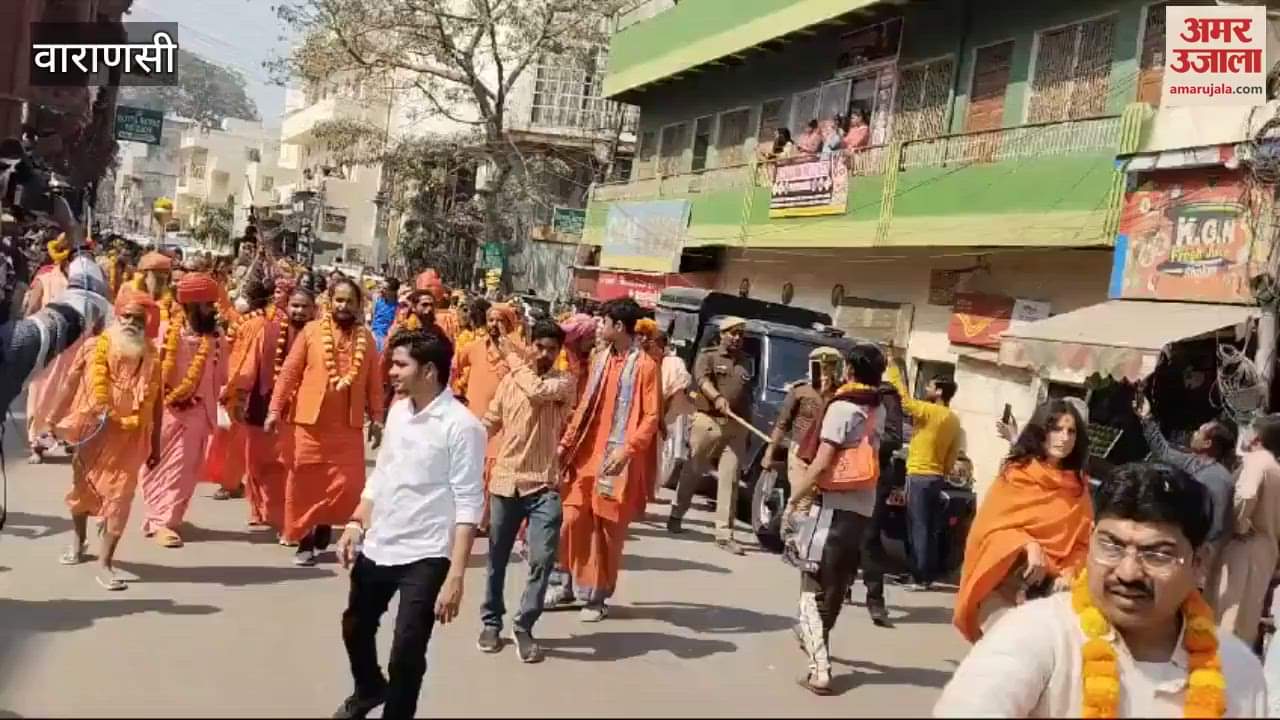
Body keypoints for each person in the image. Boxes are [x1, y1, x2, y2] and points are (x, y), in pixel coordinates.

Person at [936, 462, 1266, 718]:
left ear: (1199, 562)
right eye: (1112, 545)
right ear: (1090, 539)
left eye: (1157, 553)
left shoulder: (1237, 669)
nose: (1128, 572)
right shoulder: (1037, 632)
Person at [333, 330, 484, 720]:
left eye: (401, 365)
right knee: (355, 626)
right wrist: (355, 522)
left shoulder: (462, 426)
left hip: (428, 554)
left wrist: (456, 576)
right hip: (381, 542)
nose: (391, 372)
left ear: (429, 371)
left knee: (407, 651)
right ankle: (368, 688)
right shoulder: (399, 411)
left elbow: (469, 504)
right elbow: (382, 474)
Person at [781, 343, 888, 695]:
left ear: (850, 371)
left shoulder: (842, 408)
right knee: (836, 586)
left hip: (831, 507)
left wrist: (793, 500)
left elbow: (823, 462)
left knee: (811, 590)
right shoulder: (878, 408)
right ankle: (818, 646)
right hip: (862, 506)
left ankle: (820, 670)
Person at [550, 297, 660, 621]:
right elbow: (585, 406)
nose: (600, 327)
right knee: (570, 522)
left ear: (619, 327)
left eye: (604, 322)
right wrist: (565, 445)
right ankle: (566, 583)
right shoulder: (600, 358)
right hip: (585, 458)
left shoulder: (645, 366)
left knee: (605, 534)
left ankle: (597, 597)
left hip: (617, 464)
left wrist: (627, 450)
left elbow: (651, 417)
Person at [266, 277, 384, 566]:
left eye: (350, 301)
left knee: (346, 484)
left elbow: (374, 382)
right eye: (339, 300)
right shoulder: (311, 331)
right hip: (309, 423)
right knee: (306, 483)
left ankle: (324, 524)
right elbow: (289, 373)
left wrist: (378, 419)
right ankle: (305, 539)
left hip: (347, 425)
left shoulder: (366, 339)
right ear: (330, 302)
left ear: (359, 306)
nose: (343, 306)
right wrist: (274, 410)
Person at [954, 400, 1094, 641]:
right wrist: (1028, 544)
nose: (1064, 438)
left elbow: (1084, 544)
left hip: (1053, 596)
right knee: (1006, 657)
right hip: (1003, 585)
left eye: (1071, 431)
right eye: (1057, 429)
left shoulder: (1078, 487)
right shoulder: (1016, 474)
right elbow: (987, 530)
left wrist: (1070, 570)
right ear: (1042, 432)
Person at [476, 319, 575, 663]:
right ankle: (491, 621)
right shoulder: (509, 381)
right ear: (530, 345)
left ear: (559, 352)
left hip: (544, 484)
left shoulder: (564, 383)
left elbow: (536, 389)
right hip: (506, 481)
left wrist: (513, 358)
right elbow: (491, 420)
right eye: (540, 347)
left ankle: (524, 625)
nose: (545, 354)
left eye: (552, 349)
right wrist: (465, 443)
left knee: (543, 558)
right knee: (497, 559)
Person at [54, 287, 162, 590]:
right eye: (126, 316)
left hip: (130, 439)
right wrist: (53, 419)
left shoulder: (152, 354)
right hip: (91, 431)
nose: (132, 323)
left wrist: (156, 445)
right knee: (81, 488)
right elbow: (70, 383)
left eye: (138, 319)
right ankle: (79, 540)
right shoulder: (93, 347)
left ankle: (105, 563)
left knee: (120, 498)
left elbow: (157, 404)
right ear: (117, 316)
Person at [138, 272, 229, 548]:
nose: (212, 309)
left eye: (212, 304)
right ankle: (158, 515)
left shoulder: (216, 337)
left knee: (184, 469)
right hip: (163, 409)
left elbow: (222, 374)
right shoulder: (166, 332)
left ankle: (165, 521)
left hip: (198, 411)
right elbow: (149, 369)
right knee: (154, 465)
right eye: (207, 304)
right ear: (190, 305)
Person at [225, 277, 318, 537]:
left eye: (304, 307)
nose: (299, 311)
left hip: (300, 412)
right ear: (287, 306)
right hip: (262, 403)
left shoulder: (320, 338)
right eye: (295, 306)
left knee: (288, 465)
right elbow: (250, 365)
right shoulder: (268, 331)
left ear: (314, 310)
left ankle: (283, 516)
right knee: (256, 462)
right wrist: (239, 396)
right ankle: (258, 511)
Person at [669, 316, 752, 555]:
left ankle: (724, 534)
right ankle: (676, 513)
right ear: (722, 334)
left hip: (736, 426)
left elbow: (747, 396)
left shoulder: (746, 362)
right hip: (708, 421)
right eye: (732, 333)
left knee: (730, 478)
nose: (736, 338)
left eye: (740, 335)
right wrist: (717, 398)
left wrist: (747, 425)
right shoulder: (708, 355)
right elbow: (702, 379)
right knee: (694, 469)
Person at [885, 360, 961, 590]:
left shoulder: (930, 411)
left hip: (919, 475)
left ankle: (920, 577)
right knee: (927, 528)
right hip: (937, 477)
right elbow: (953, 453)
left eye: (929, 386)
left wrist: (894, 372)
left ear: (938, 392)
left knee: (917, 527)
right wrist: (944, 471)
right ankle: (921, 574)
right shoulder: (953, 419)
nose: (926, 389)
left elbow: (906, 404)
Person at [1137, 395, 1236, 568]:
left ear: (1207, 443)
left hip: (1200, 558)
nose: (1193, 434)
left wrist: (1193, 551)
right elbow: (1164, 452)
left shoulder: (1218, 479)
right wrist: (1146, 417)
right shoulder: (1194, 461)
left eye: (1199, 431)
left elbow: (1216, 526)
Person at [1209, 413, 1280, 646]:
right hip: (1266, 550)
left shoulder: (1258, 460)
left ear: (1257, 437)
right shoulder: (1276, 468)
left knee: (1228, 614)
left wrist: (1239, 525)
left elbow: (1247, 494)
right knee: (1246, 620)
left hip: (1246, 547)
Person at [24, 234, 80, 463]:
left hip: (75, 348)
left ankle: (68, 438)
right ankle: (36, 444)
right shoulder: (45, 280)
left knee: (72, 396)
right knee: (41, 396)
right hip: (47, 347)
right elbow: (30, 312)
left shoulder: (83, 283)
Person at [371, 278, 399, 351]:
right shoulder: (378, 300)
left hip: (387, 340)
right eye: (381, 287)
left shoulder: (398, 307)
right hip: (374, 335)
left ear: (393, 291)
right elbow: (373, 317)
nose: (381, 290)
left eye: (385, 288)